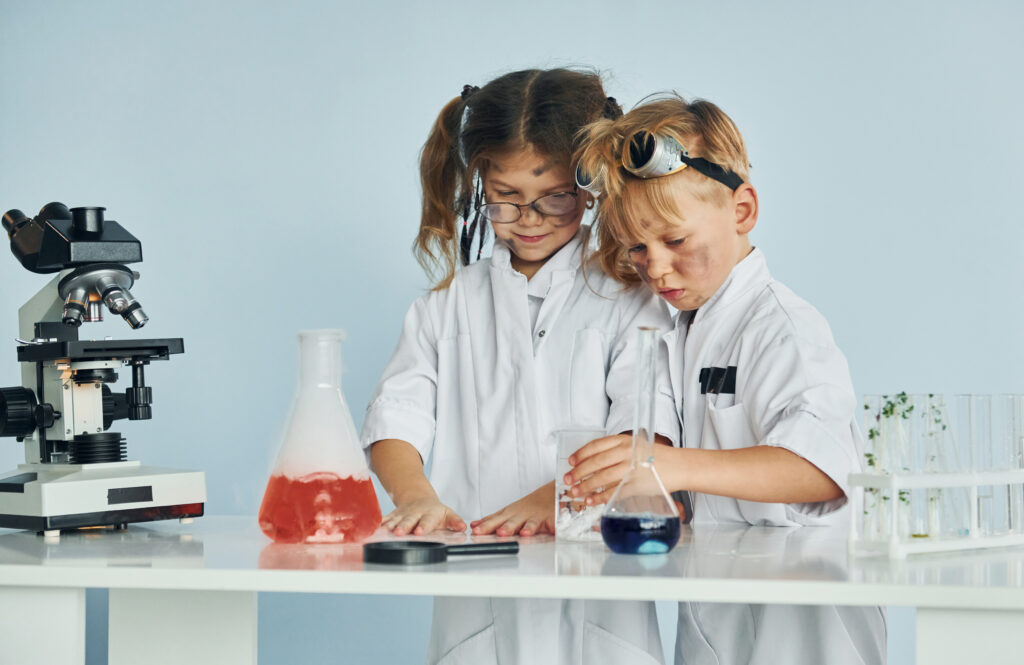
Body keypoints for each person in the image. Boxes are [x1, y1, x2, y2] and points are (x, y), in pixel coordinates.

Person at [360, 69, 679, 665]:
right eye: (504, 197)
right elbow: (395, 418)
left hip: (599, 598)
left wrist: (553, 498)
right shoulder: (445, 305)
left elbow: (647, 434)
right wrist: (416, 495)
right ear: (476, 184)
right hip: (476, 598)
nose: (529, 218)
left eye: (554, 195)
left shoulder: (630, 297)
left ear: (592, 184)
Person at [567, 95, 887, 664]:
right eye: (636, 248)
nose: (655, 267)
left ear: (741, 211)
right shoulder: (681, 329)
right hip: (719, 618)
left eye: (675, 240)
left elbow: (822, 469)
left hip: (806, 628)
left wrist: (668, 465)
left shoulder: (783, 327)